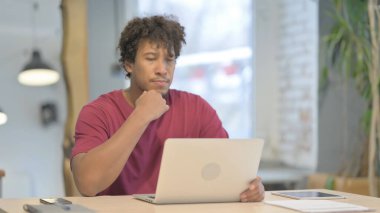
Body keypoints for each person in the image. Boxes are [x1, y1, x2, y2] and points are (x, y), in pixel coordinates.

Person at [71, 15, 265, 202]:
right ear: (129, 64)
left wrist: (250, 188)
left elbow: (229, 172)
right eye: (151, 58)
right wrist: (141, 116)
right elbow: (88, 184)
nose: (162, 69)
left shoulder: (197, 109)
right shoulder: (98, 112)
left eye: (169, 59)